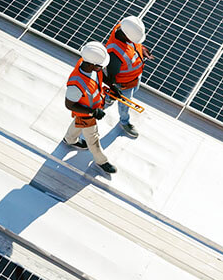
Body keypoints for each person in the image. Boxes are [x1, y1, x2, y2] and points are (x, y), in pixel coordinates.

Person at [62, 41, 117, 174]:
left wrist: (112, 85)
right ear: (92, 64)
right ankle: (101, 161)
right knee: (93, 139)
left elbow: (100, 75)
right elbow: (69, 105)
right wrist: (92, 112)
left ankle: (69, 139)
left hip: (90, 110)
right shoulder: (76, 84)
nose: (102, 68)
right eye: (100, 66)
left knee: (77, 123)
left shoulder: (88, 63)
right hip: (87, 114)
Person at [104, 16, 154, 138]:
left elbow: (135, 46)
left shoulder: (127, 27)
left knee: (134, 90)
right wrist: (115, 89)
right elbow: (111, 77)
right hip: (124, 85)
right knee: (124, 105)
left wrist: (143, 50)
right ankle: (124, 122)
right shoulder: (115, 54)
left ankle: (109, 98)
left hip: (135, 78)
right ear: (127, 35)